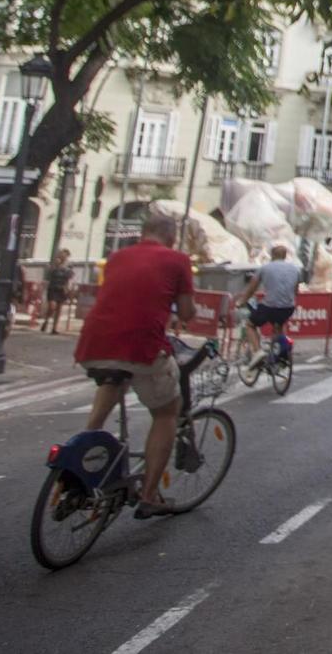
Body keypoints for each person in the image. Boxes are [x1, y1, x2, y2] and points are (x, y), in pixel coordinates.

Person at [73, 211, 195, 518]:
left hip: (93, 343)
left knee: (113, 379)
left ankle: (83, 452)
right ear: (171, 236)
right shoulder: (178, 260)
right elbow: (187, 311)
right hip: (141, 345)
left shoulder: (117, 257)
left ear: (143, 232)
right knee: (167, 412)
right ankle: (150, 495)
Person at [233, 243, 301, 368]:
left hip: (270, 306)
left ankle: (258, 352)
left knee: (250, 324)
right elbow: (295, 291)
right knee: (278, 327)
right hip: (288, 307)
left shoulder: (265, 268)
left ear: (272, 255)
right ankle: (279, 356)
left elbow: (251, 289)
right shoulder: (295, 269)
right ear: (285, 255)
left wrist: (241, 301)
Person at [41, 250, 74, 334]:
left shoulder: (68, 267)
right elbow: (47, 278)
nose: (64, 257)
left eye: (66, 256)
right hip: (53, 289)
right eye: (62, 255)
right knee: (52, 307)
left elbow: (70, 279)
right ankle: (46, 320)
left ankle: (54, 328)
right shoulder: (54, 266)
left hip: (62, 289)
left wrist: (68, 289)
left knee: (59, 309)